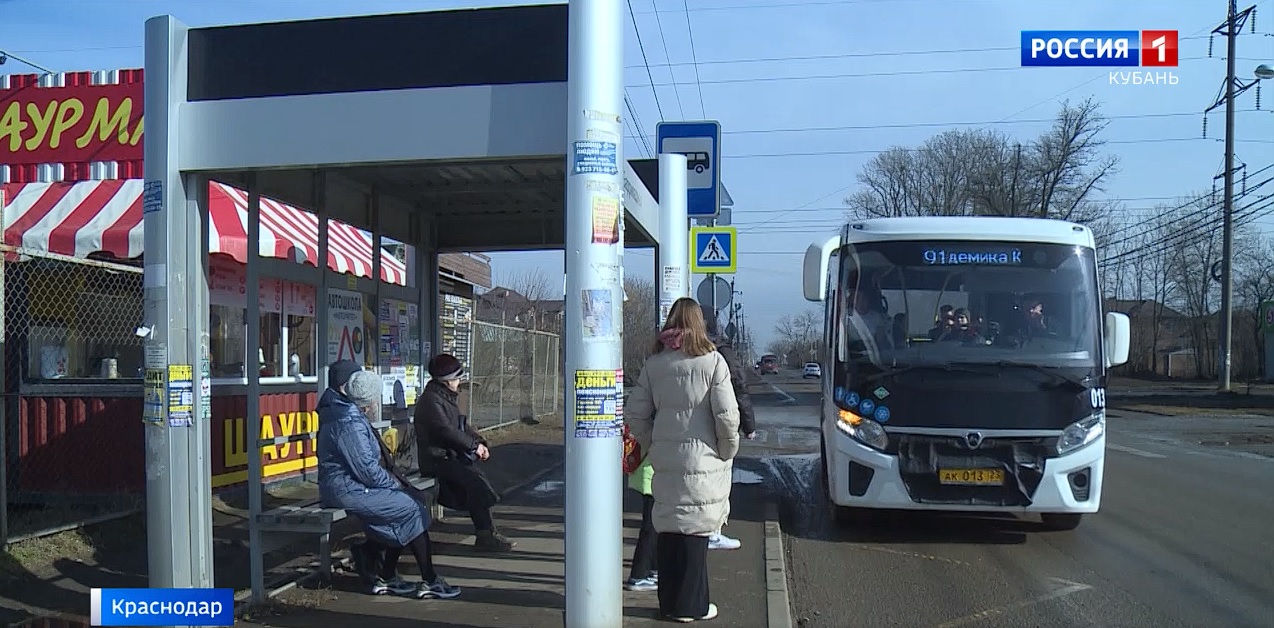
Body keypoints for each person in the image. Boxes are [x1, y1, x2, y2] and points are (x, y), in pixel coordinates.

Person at [626, 297, 741, 623]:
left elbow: (634, 413)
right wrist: (726, 449)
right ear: (699, 323)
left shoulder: (655, 364)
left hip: (666, 459)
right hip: (704, 459)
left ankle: (670, 604)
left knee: (669, 530)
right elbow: (727, 415)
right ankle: (692, 607)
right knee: (695, 533)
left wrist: (654, 443)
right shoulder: (713, 362)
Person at [316, 365, 460, 600]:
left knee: (405, 507)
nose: (377, 403)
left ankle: (388, 576)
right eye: (376, 398)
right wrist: (397, 485)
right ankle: (428, 580)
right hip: (345, 488)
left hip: (349, 485)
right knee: (409, 507)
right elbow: (369, 472)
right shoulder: (347, 422)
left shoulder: (347, 414)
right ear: (366, 399)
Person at [414, 353, 515, 552]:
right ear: (447, 380)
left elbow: (461, 425)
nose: (459, 382)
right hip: (437, 459)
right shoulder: (431, 401)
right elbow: (446, 430)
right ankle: (486, 535)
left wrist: (479, 442)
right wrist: (473, 446)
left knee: (476, 483)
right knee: (475, 484)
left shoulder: (444, 398)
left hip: (448, 456)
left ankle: (486, 534)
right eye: (457, 378)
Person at [700, 304, 755, 552]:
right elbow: (738, 386)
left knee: (695, 478)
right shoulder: (721, 351)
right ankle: (712, 531)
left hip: (690, 426)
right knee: (718, 477)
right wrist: (748, 424)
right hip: (719, 422)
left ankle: (703, 529)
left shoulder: (682, 351)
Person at [624, 456, 659, 592]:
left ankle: (653, 568)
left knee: (654, 525)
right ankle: (638, 575)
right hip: (652, 473)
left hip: (649, 471)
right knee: (650, 527)